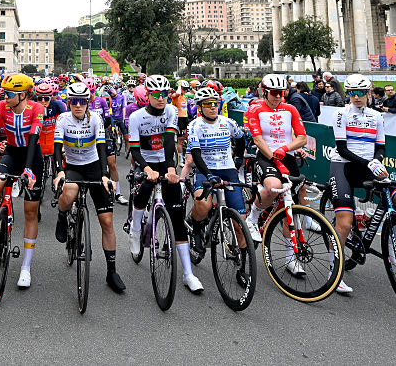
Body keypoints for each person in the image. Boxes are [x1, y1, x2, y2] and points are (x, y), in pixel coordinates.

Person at [327, 74, 396, 295]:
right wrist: (370, 163)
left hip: (369, 165)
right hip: (344, 167)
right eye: (351, 93)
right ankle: (334, 270)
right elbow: (342, 149)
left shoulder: (377, 116)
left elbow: (381, 146)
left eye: (360, 93)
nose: (356, 97)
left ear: (368, 93)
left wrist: (377, 160)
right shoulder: (341, 114)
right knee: (345, 224)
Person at [126, 74, 202, 292]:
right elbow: (134, 149)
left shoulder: (170, 110)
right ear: (148, 95)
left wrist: (171, 168)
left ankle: (188, 274)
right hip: (144, 160)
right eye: (157, 95)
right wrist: (146, 168)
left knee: (177, 218)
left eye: (165, 95)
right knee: (144, 189)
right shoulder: (136, 117)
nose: (161, 99)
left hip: (164, 160)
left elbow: (170, 140)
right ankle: (135, 230)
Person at [51, 81, 125, 293]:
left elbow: (102, 147)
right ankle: (62, 216)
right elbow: (57, 147)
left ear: (87, 103)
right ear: (68, 103)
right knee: (71, 190)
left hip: (93, 166)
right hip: (73, 166)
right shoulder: (63, 119)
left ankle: (112, 271)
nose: (78, 106)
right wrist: (60, 171)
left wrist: (104, 174)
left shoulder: (96, 119)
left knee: (107, 221)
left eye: (82, 102)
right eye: (73, 101)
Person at [0, 73, 45, 288]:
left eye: (10, 94)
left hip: (32, 156)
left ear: (23, 95)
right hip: (12, 153)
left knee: (30, 212)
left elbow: (34, 140)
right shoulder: (0, 107)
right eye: (4, 93)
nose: (5, 97)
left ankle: (26, 267)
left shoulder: (36, 109)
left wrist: (29, 170)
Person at [186, 87, 248, 290]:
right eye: (207, 104)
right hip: (206, 169)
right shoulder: (194, 125)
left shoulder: (228, 123)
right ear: (200, 107)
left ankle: (242, 268)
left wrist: (238, 158)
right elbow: (195, 154)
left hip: (228, 169)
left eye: (215, 104)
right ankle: (195, 226)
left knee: (241, 224)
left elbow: (240, 138)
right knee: (203, 204)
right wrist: (209, 174)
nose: (212, 108)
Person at [243, 74, 309, 266]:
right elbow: (258, 140)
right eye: (274, 93)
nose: (279, 96)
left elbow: (302, 138)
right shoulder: (255, 109)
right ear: (265, 92)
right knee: (273, 187)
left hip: (286, 156)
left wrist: (284, 149)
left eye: (282, 93)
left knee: (294, 206)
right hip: (265, 156)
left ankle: (291, 256)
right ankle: (252, 218)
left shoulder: (291, 109)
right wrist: (273, 156)